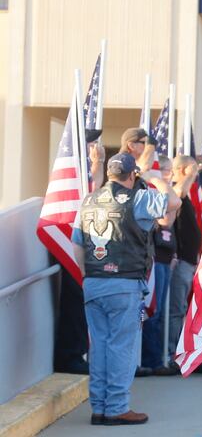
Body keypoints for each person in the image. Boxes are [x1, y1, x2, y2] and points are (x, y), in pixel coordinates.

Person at [72, 153, 180, 425]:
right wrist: (157, 179)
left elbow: (77, 243)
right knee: (122, 347)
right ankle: (117, 407)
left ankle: (99, 408)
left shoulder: (88, 200)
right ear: (133, 175)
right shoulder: (140, 198)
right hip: (125, 283)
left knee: (99, 347)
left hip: (94, 282)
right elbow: (174, 203)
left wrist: (88, 275)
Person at [54, 128, 106, 375]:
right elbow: (87, 197)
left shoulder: (83, 171)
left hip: (80, 242)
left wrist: (98, 163)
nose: (95, 146)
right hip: (68, 243)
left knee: (81, 301)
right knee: (73, 301)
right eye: (91, 142)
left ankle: (76, 353)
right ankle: (69, 356)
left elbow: (94, 195)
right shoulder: (70, 170)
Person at [141, 157, 180, 375]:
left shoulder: (156, 192)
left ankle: (153, 358)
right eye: (165, 170)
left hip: (162, 261)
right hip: (147, 264)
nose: (168, 175)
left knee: (154, 311)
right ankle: (149, 360)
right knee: (147, 312)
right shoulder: (144, 194)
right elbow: (166, 216)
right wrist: (159, 182)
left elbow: (169, 219)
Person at [167, 155, 200, 366]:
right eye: (192, 170)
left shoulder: (186, 196)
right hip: (178, 263)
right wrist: (189, 175)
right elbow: (179, 193)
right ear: (182, 170)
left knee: (181, 309)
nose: (195, 174)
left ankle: (176, 351)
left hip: (188, 262)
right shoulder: (175, 191)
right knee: (176, 309)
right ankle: (171, 353)